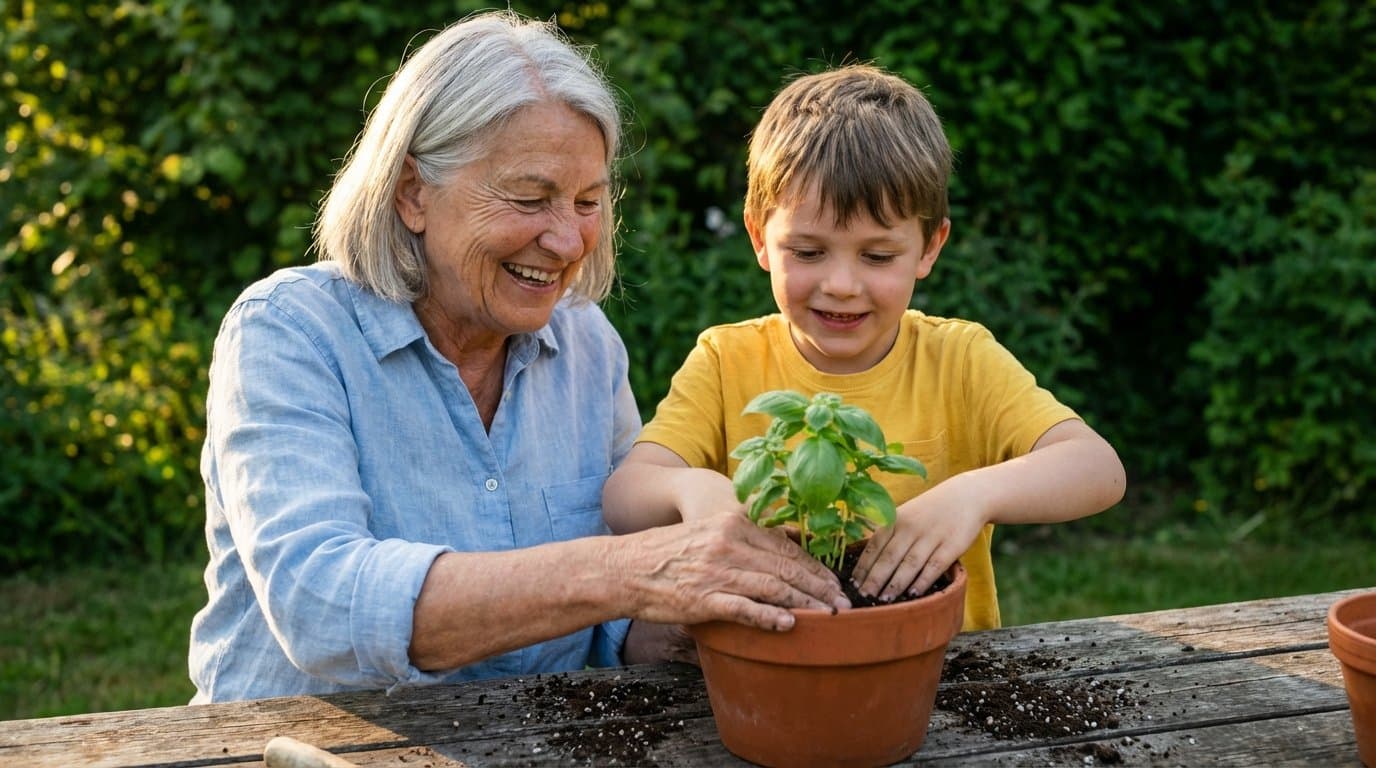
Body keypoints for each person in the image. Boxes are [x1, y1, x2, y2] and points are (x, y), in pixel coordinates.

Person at [188, 10, 851, 704]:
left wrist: (721, 609)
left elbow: (618, 619)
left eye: (588, 201)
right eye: (529, 198)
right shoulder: (290, 332)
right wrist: (637, 569)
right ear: (412, 193)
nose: (567, 241)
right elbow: (319, 604)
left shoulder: (586, 344)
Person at [602, 64, 1126, 631]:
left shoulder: (960, 359)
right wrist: (693, 487)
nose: (842, 285)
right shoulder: (727, 360)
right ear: (759, 238)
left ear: (930, 247)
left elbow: (1098, 468)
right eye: (807, 252)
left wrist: (973, 496)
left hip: (948, 674)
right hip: (770, 663)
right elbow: (625, 495)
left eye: (877, 257)